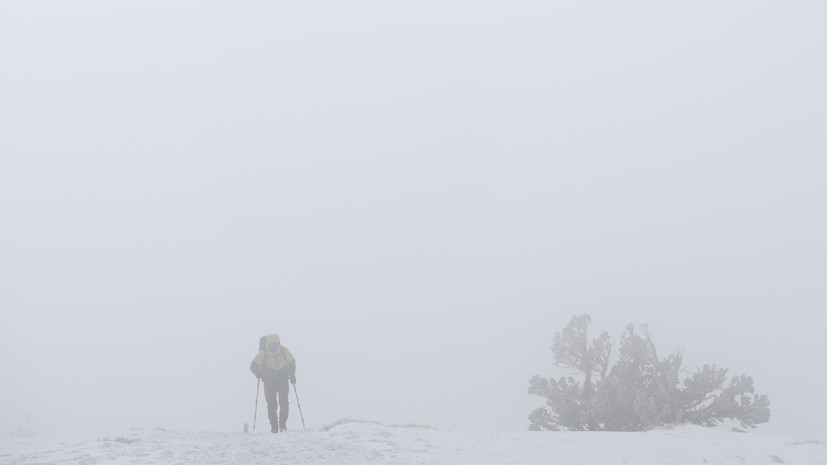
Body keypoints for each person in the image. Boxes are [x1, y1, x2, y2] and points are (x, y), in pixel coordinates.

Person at [250, 333, 296, 433]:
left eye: (275, 344)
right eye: (271, 344)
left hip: (282, 381)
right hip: (269, 382)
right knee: (272, 405)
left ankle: (282, 425)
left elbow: (292, 363)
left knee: (284, 403)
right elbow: (253, 366)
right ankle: (274, 427)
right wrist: (258, 374)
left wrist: (292, 375)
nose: (274, 346)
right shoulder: (263, 353)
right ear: (268, 344)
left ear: (278, 343)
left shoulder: (283, 351)